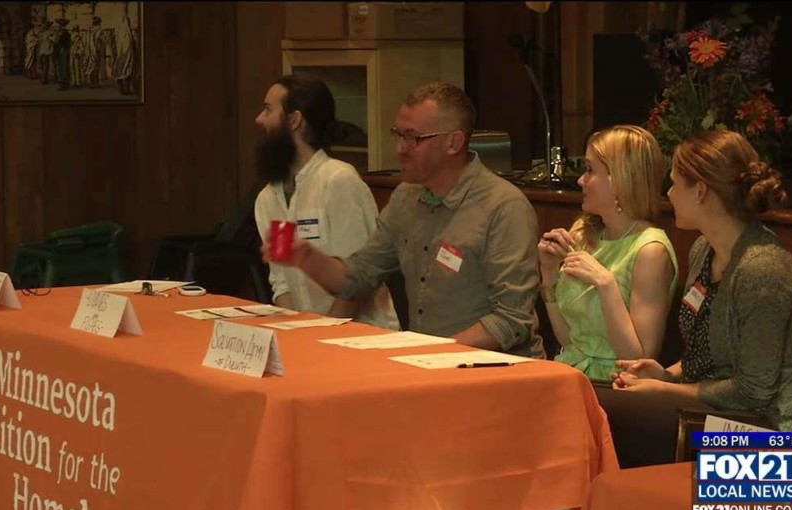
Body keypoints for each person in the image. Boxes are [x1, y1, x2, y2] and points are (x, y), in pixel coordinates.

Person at [264, 82, 544, 358]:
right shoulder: (406, 198)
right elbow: (359, 278)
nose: (400, 148)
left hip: (498, 370)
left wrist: (431, 352)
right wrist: (307, 258)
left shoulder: (503, 207)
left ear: (453, 142)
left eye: (413, 138)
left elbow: (511, 320)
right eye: (398, 134)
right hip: (427, 364)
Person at [611, 130, 792, 461]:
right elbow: (706, 357)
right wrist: (668, 374)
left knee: (614, 418)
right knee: (608, 409)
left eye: (674, 184)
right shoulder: (703, 250)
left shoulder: (763, 270)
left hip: (768, 447)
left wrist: (666, 390)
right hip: (704, 420)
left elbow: (754, 393)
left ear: (700, 191)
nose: (668, 194)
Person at [253, 75, 398, 330]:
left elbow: (357, 283)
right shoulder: (268, 198)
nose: (259, 119)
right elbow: (282, 283)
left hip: (362, 335)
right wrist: (294, 333)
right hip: (310, 335)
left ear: (294, 120)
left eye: (267, 110)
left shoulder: (338, 180)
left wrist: (319, 334)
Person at [538, 125, 678, 380]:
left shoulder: (650, 250)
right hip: (572, 373)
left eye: (590, 170)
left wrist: (605, 283)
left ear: (619, 180)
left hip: (617, 385)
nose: (581, 180)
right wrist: (548, 274)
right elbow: (571, 340)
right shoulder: (584, 232)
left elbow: (638, 362)